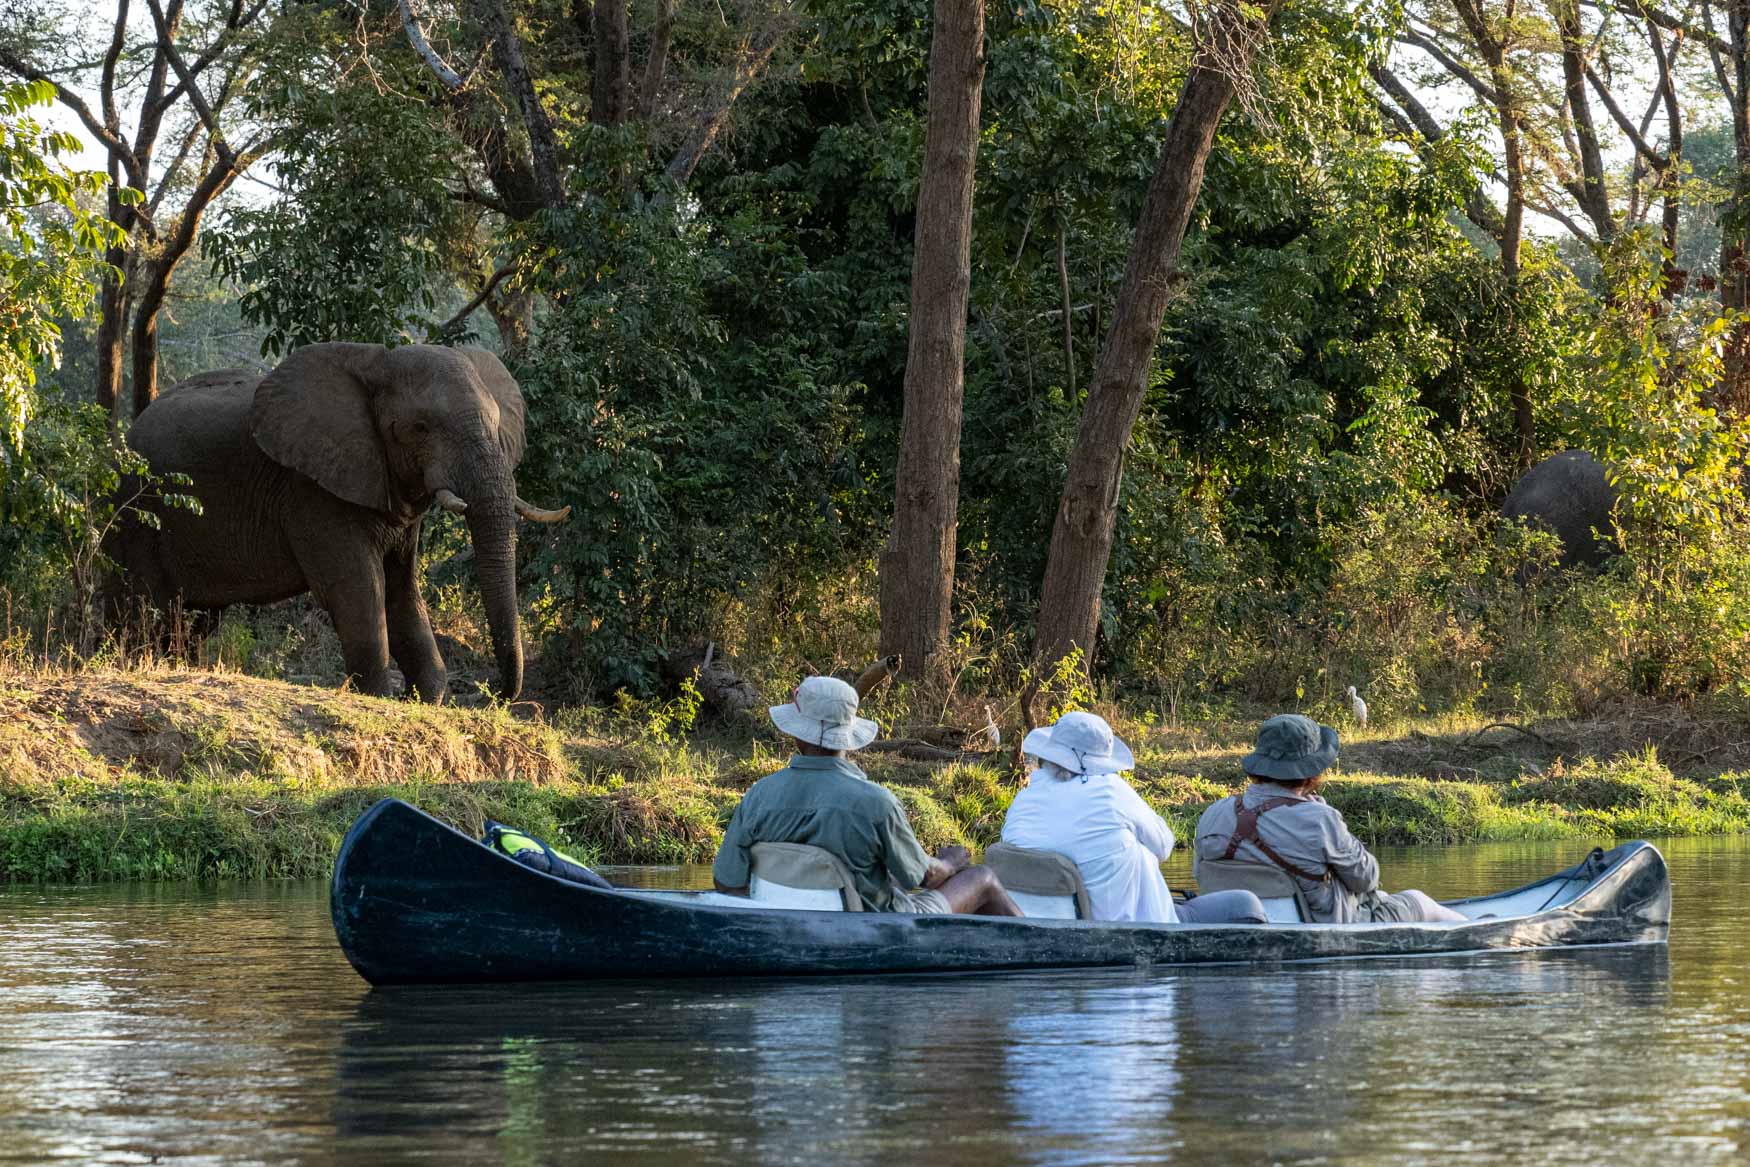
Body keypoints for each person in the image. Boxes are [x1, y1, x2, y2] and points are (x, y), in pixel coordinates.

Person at [713, 675, 1023, 916]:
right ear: (848, 735)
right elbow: (925, 878)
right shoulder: (877, 803)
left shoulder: (757, 796)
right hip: (878, 923)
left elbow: (727, 882)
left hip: (785, 920)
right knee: (981, 877)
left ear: (796, 733)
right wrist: (951, 863)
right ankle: (1043, 945)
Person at [1193, 714, 1467, 924]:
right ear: (1312, 772)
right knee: (1418, 900)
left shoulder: (1213, 813)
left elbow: (1200, 875)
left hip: (1240, 924)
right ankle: (1481, 930)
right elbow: (1367, 878)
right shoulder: (1320, 818)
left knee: (1384, 899)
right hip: (1330, 928)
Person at [1001, 712, 1266, 925]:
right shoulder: (1110, 791)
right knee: (1246, 903)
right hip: (1130, 924)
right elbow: (1163, 846)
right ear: (1100, 761)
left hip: (1047, 920)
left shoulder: (1025, 798)